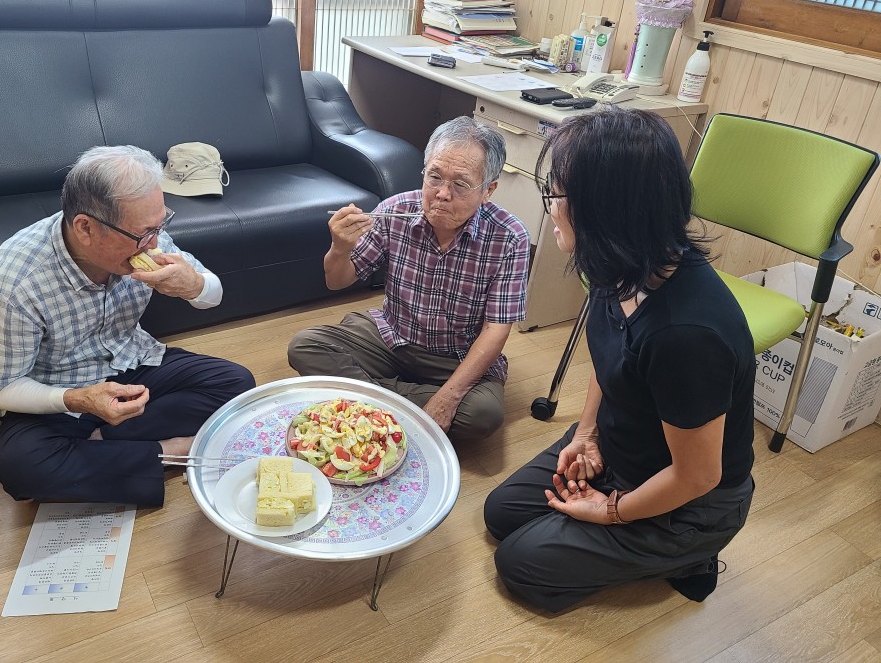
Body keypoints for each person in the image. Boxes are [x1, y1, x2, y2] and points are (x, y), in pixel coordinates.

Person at [484, 108, 756, 611]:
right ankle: (611, 526)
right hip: (621, 445)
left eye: (557, 196)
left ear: (606, 209)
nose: (550, 207)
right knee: (500, 514)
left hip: (691, 502)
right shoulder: (620, 268)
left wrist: (613, 511)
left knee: (521, 566)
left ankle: (687, 555)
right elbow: (608, 362)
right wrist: (587, 435)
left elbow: (699, 476)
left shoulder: (687, 335)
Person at [0, 145, 255, 507]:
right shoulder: (13, 283)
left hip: (130, 362)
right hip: (56, 390)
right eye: (143, 235)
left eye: (160, 226)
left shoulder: (146, 236)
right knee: (21, 468)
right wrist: (76, 399)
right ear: (86, 228)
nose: (154, 243)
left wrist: (195, 285)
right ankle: (168, 451)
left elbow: (211, 293)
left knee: (237, 385)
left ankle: (103, 447)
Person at [287, 116, 530, 439]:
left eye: (460, 184)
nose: (442, 193)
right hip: (392, 337)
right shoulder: (395, 211)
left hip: (455, 355)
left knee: (482, 415)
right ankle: (403, 404)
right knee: (305, 346)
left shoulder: (510, 237)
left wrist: (449, 395)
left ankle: (369, 400)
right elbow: (338, 281)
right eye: (434, 177)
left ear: (488, 190)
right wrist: (339, 248)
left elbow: (496, 330)